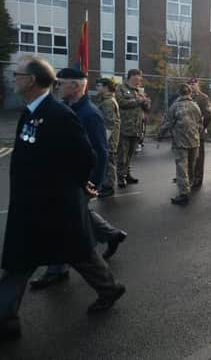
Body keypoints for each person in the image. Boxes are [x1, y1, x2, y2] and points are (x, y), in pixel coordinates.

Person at [0, 57, 125, 340]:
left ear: (31, 80)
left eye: (18, 74)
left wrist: (82, 186)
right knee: (20, 260)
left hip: (57, 203)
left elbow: (87, 156)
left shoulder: (59, 114)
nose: (14, 78)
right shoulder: (31, 112)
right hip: (31, 204)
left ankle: (109, 288)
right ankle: (6, 316)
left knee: (80, 253)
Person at [30, 68, 128, 289]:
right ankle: (111, 235)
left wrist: (93, 182)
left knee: (62, 224)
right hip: (67, 180)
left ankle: (60, 270)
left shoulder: (90, 114)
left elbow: (101, 152)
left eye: (61, 83)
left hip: (79, 181)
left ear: (75, 86)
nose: (57, 87)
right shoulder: (68, 108)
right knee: (75, 217)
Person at [158, 84, 203, 205]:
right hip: (194, 141)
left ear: (179, 92)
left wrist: (160, 134)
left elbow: (168, 122)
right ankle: (190, 184)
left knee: (182, 167)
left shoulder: (175, 106)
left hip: (180, 141)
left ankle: (184, 193)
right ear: (189, 93)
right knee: (191, 166)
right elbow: (200, 123)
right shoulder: (195, 106)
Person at [116, 69, 151, 188]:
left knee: (131, 154)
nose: (139, 80)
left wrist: (146, 103)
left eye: (140, 78)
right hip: (124, 127)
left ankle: (127, 174)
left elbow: (146, 108)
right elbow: (120, 102)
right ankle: (120, 177)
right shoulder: (120, 88)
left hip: (136, 128)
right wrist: (138, 101)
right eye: (138, 78)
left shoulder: (139, 90)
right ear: (131, 76)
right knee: (122, 154)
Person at [94, 77, 121, 198]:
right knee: (108, 161)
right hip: (108, 136)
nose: (97, 87)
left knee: (109, 161)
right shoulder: (105, 100)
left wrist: (104, 140)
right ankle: (106, 185)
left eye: (99, 85)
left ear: (105, 87)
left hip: (109, 138)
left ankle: (109, 187)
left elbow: (110, 123)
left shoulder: (108, 102)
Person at [189, 77, 211, 188]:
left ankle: (198, 178)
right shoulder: (187, 97)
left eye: (194, 84)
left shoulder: (203, 98)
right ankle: (188, 176)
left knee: (198, 157)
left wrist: (202, 128)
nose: (192, 86)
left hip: (198, 131)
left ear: (198, 85)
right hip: (187, 133)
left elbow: (208, 115)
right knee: (188, 156)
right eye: (191, 84)